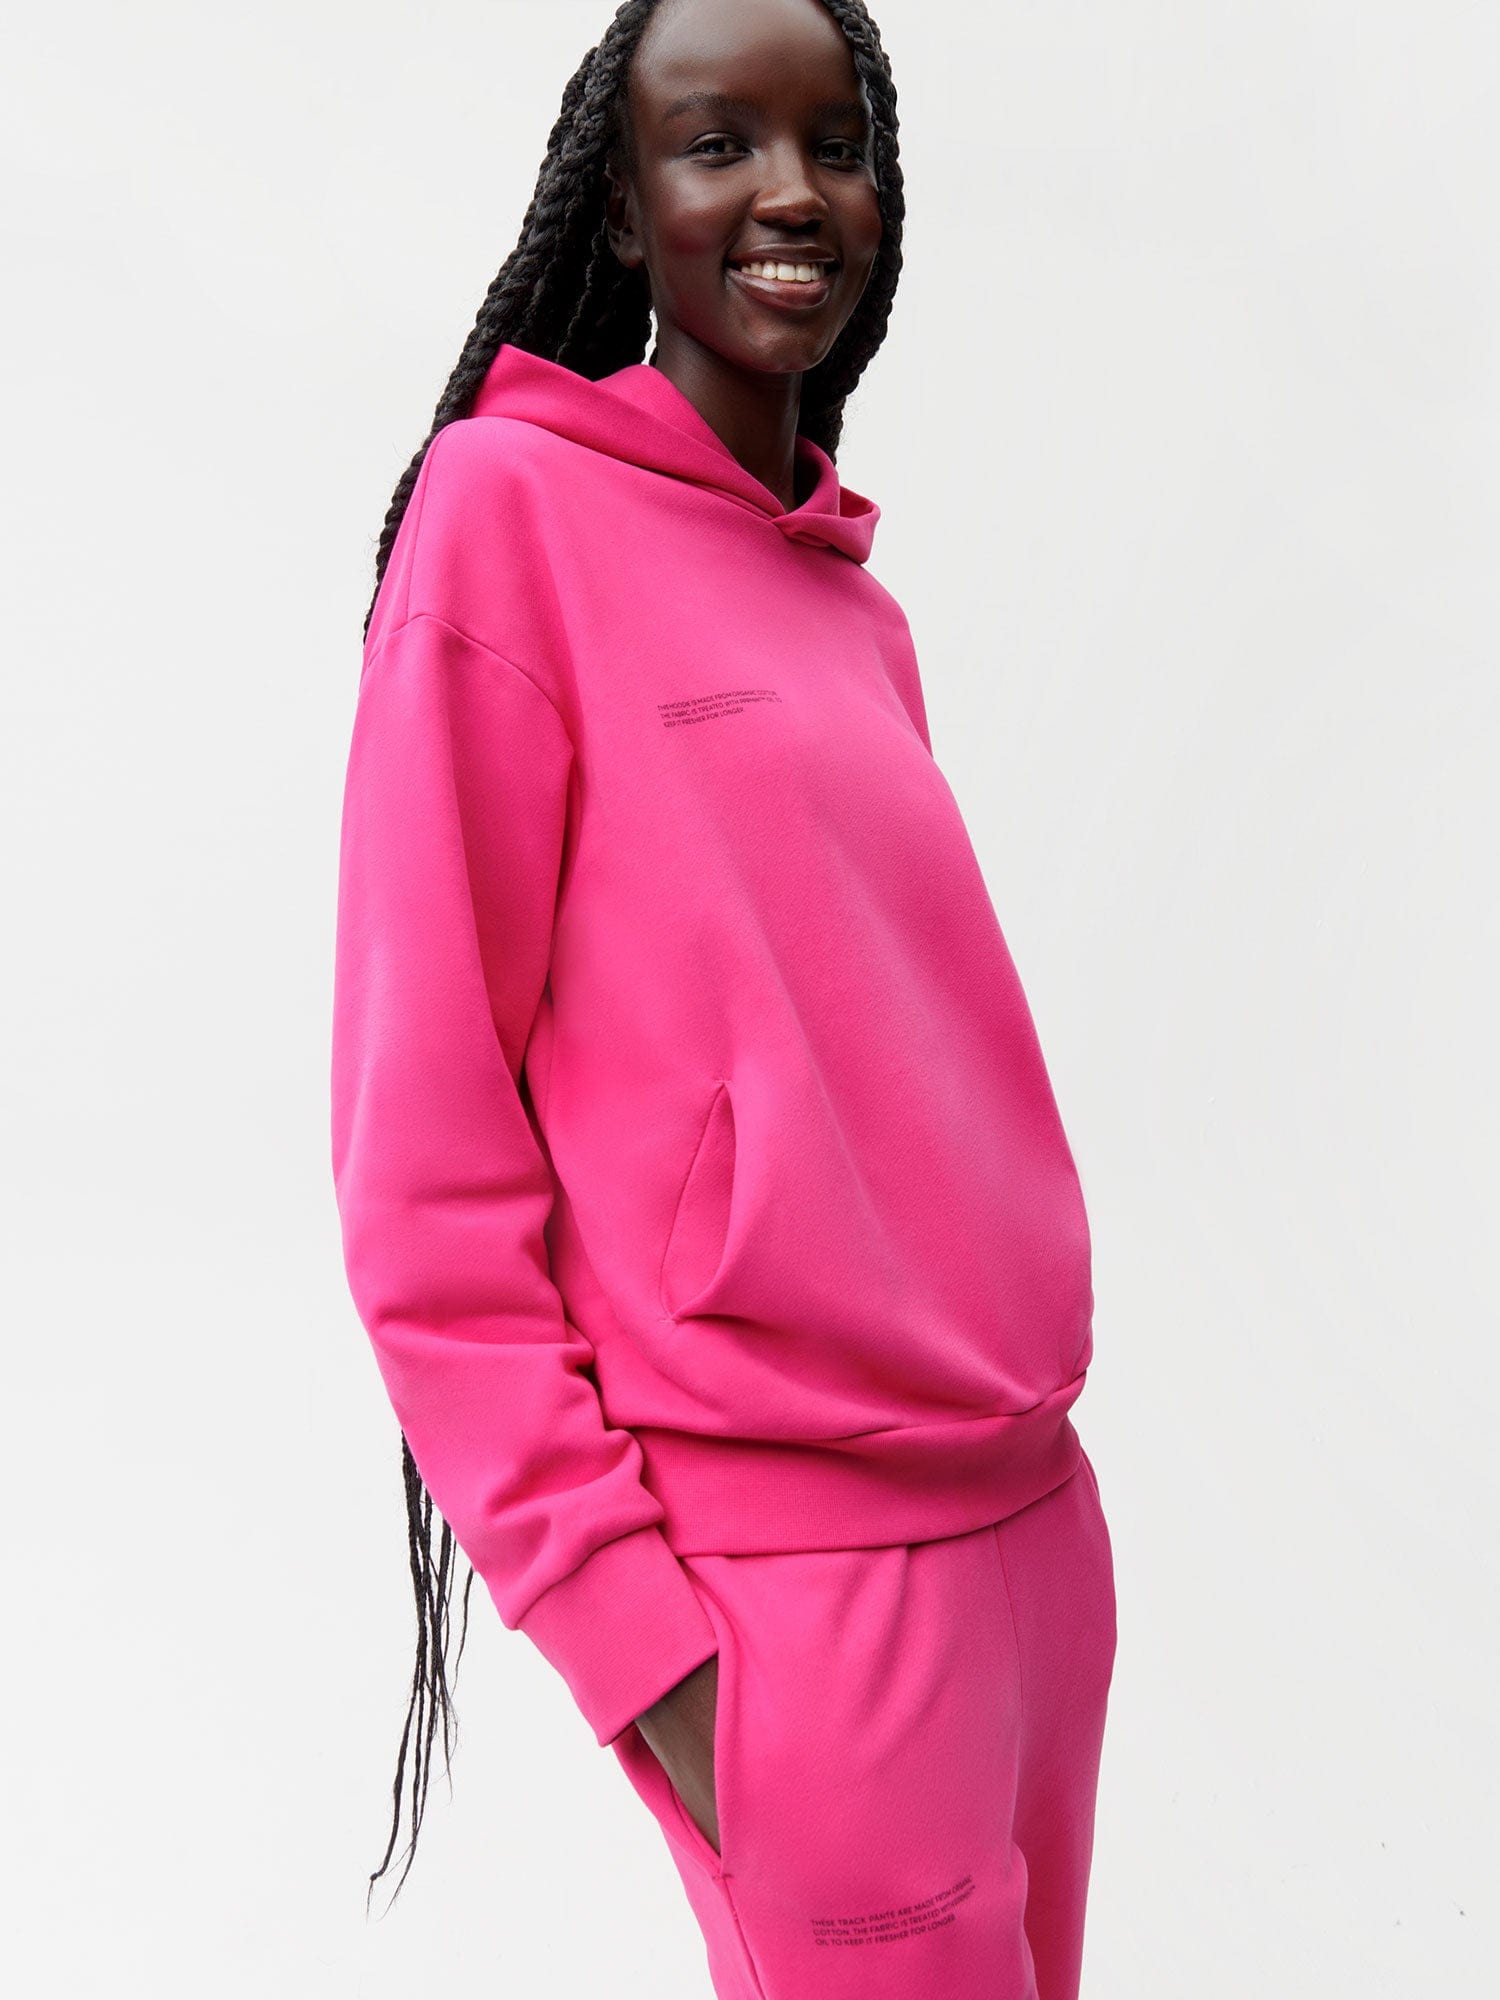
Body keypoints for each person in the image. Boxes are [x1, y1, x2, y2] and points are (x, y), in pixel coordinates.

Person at [330, 0, 1118, 1992]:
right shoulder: (507, 518)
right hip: (797, 1594)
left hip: (1036, 1530)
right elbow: (423, 1169)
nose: (792, 192)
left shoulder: (851, 605)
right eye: (719, 144)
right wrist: (634, 1640)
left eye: (835, 144)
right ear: (621, 206)